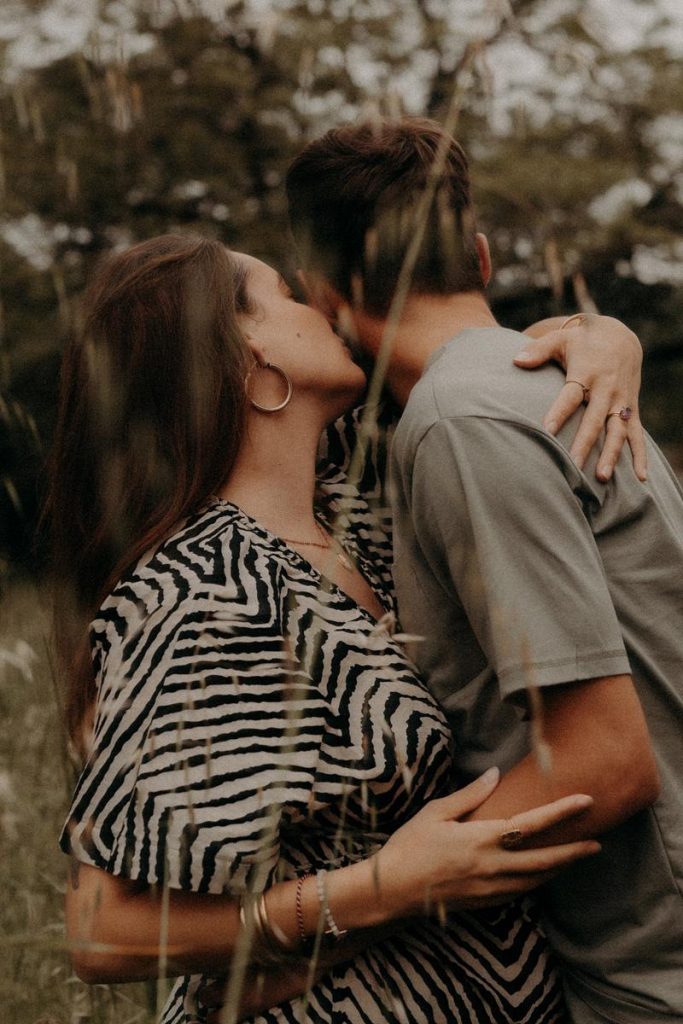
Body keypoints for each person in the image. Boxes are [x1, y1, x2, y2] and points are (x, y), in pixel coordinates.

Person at [48, 234, 640, 1024]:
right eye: (283, 295)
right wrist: (373, 897)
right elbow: (100, 931)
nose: (315, 302)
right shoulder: (199, 588)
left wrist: (604, 337)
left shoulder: (356, 516)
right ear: (248, 358)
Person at [284, 117, 683, 1023]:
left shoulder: (462, 422)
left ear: (326, 289)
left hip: (650, 971)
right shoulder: (543, 383)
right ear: (482, 254)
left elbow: (604, 763)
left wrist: (359, 907)